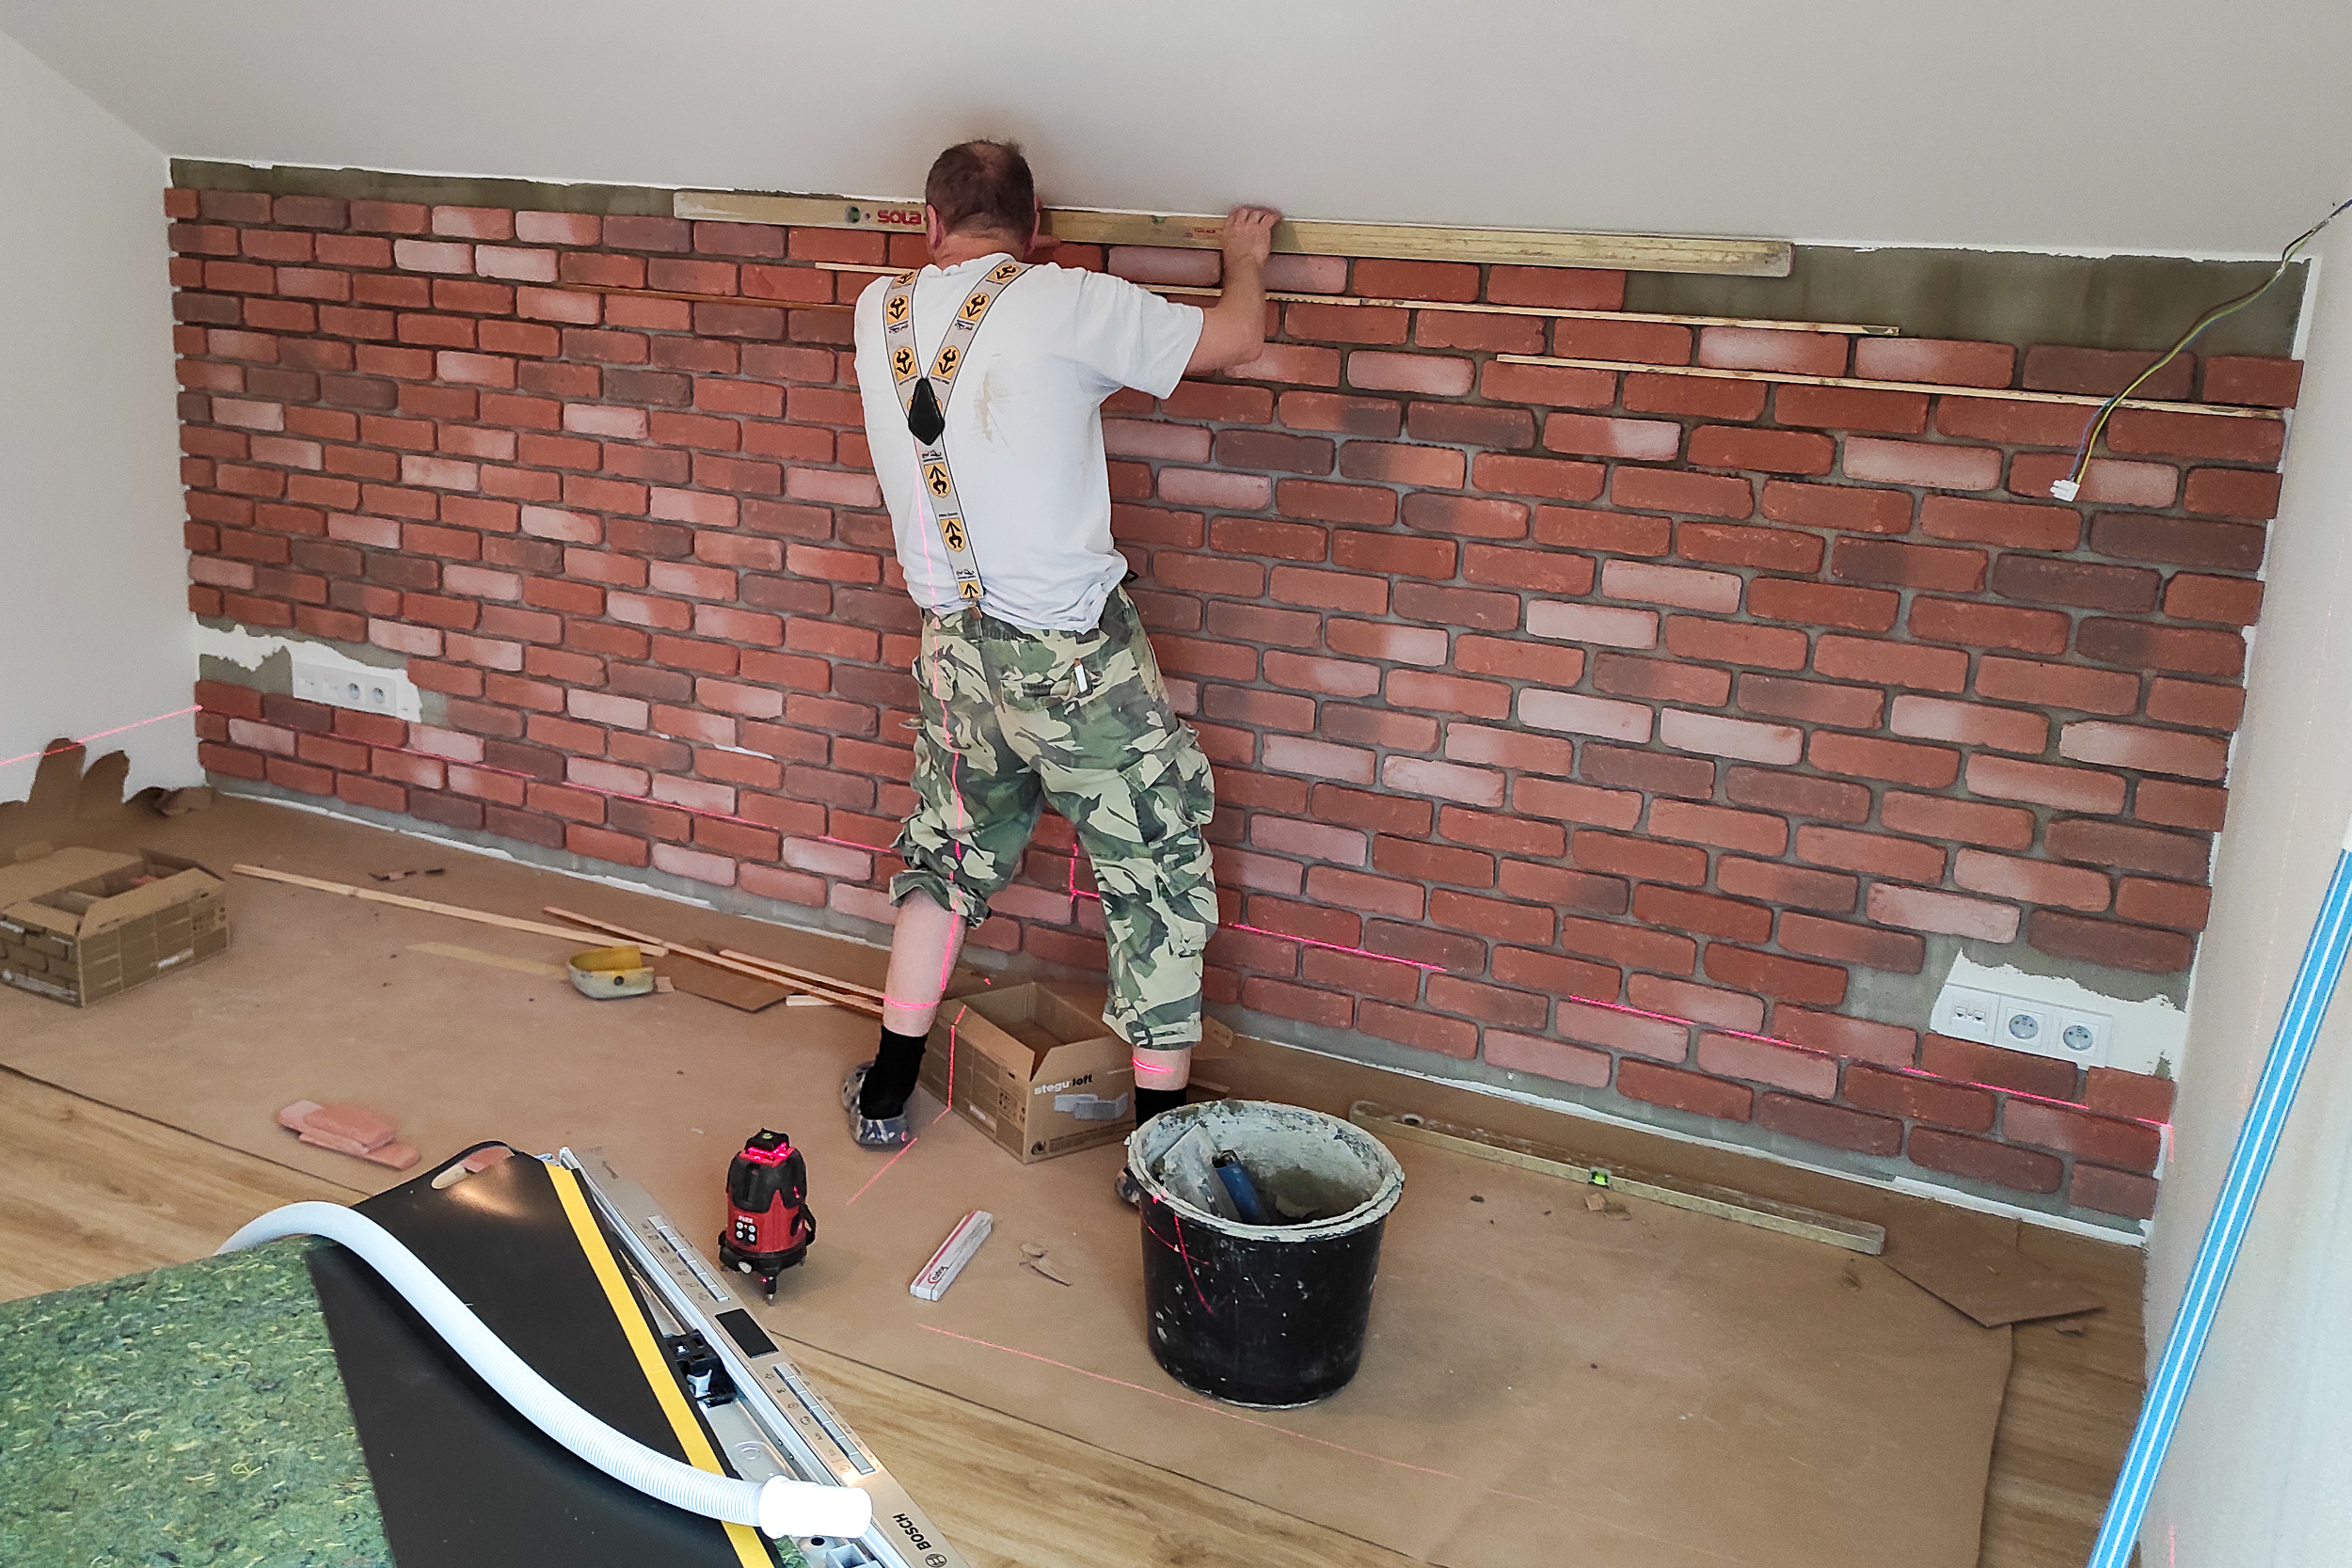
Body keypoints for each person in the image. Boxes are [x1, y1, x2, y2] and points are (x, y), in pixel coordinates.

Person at [843, 138, 1278, 1197]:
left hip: (954, 649)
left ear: (929, 223)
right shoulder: (1066, 301)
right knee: (1154, 867)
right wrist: (1245, 259)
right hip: (1074, 661)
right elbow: (1235, 339)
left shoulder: (875, 309)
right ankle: (1157, 1151)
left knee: (946, 853)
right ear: (1034, 228)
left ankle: (887, 1088)